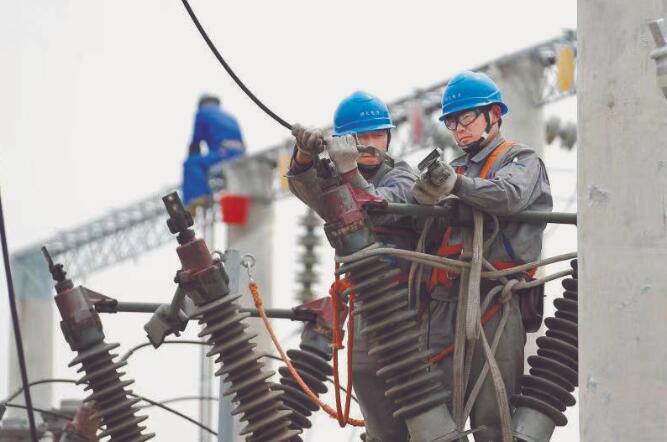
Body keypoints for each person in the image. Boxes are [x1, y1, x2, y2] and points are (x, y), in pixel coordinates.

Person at [411, 71, 553, 441]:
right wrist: (419, 200)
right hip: (444, 305)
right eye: (452, 122)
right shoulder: (454, 169)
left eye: (466, 118)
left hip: (494, 301)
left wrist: (456, 187)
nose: (458, 129)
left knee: (493, 416)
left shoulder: (521, 160)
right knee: (433, 416)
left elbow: (508, 195)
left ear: (494, 114)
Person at [287, 91, 417, 442]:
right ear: (345, 141)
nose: (371, 144)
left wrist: (349, 171)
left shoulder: (403, 175)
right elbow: (309, 189)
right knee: (364, 372)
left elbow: (383, 203)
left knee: (413, 389)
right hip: (364, 305)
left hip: (408, 304)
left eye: (378, 135)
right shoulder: (334, 180)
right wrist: (303, 156)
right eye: (362, 137)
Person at [181, 94, 246, 211]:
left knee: (191, 163)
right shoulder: (230, 116)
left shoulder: (202, 113)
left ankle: (198, 196)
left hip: (224, 153)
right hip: (239, 154)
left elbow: (196, 142)